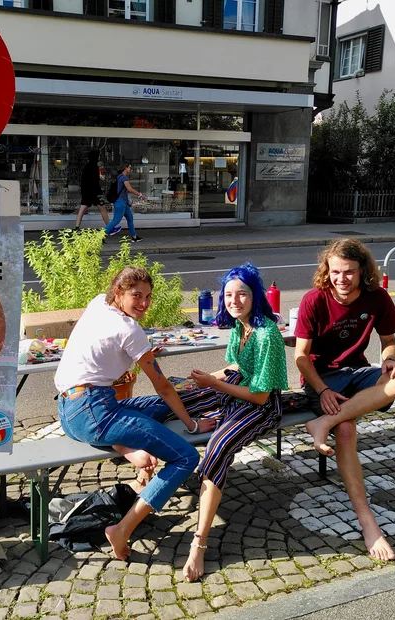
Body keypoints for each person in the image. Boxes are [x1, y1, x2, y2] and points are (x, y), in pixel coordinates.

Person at [54, 267, 216, 560]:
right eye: (136, 295)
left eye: (148, 296)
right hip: (95, 412)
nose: (143, 302)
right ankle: (122, 528)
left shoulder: (98, 304)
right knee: (186, 457)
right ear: (118, 292)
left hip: (70, 410)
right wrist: (192, 425)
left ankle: (125, 445)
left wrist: (143, 352)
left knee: (159, 407)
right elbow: (163, 386)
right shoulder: (129, 330)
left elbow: (102, 348)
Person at [293, 238, 395, 562]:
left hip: (357, 371)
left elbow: (390, 341)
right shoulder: (313, 300)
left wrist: (389, 359)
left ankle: (325, 421)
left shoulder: (377, 298)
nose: (341, 279)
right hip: (321, 379)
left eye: (348, 272)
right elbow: (301, 358)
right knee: (346, 433)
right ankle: (369, 524)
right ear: (326, 270)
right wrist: (322, 391)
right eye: (335, 272)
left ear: (362, 271)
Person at [173, 263, 289, 582]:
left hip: (261, 403)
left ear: (255, 295)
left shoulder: (266, 334)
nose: (234, 300)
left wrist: (214, 384)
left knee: (218, 447)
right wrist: (206, 378)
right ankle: (146, 460)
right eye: (229, 294)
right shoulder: (241, 325)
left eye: (242, 294)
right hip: (240, 386)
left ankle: (199, 543)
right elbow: (235, 365)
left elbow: (261, 397)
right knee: (175, 395)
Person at [74, 150, 114, 232]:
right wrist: (99, 191)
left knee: (82, 209)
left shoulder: (86, 166)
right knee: (103, 209)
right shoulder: (95, 167)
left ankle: (77, 227)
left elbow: (84, 181)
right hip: (95, 193)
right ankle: (110, 228)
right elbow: (95, 181)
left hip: (86, 193)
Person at [104, 163, 145, 242]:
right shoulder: (123, 178)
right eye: (129, 167)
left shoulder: (119, 177)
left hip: (123, 202)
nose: (130, 169)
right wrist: (140, 195)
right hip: (120, 202)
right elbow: (129, 189)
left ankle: (134, 237)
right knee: (116, 220)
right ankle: (100, 236)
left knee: (130, 218)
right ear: (125, 168)